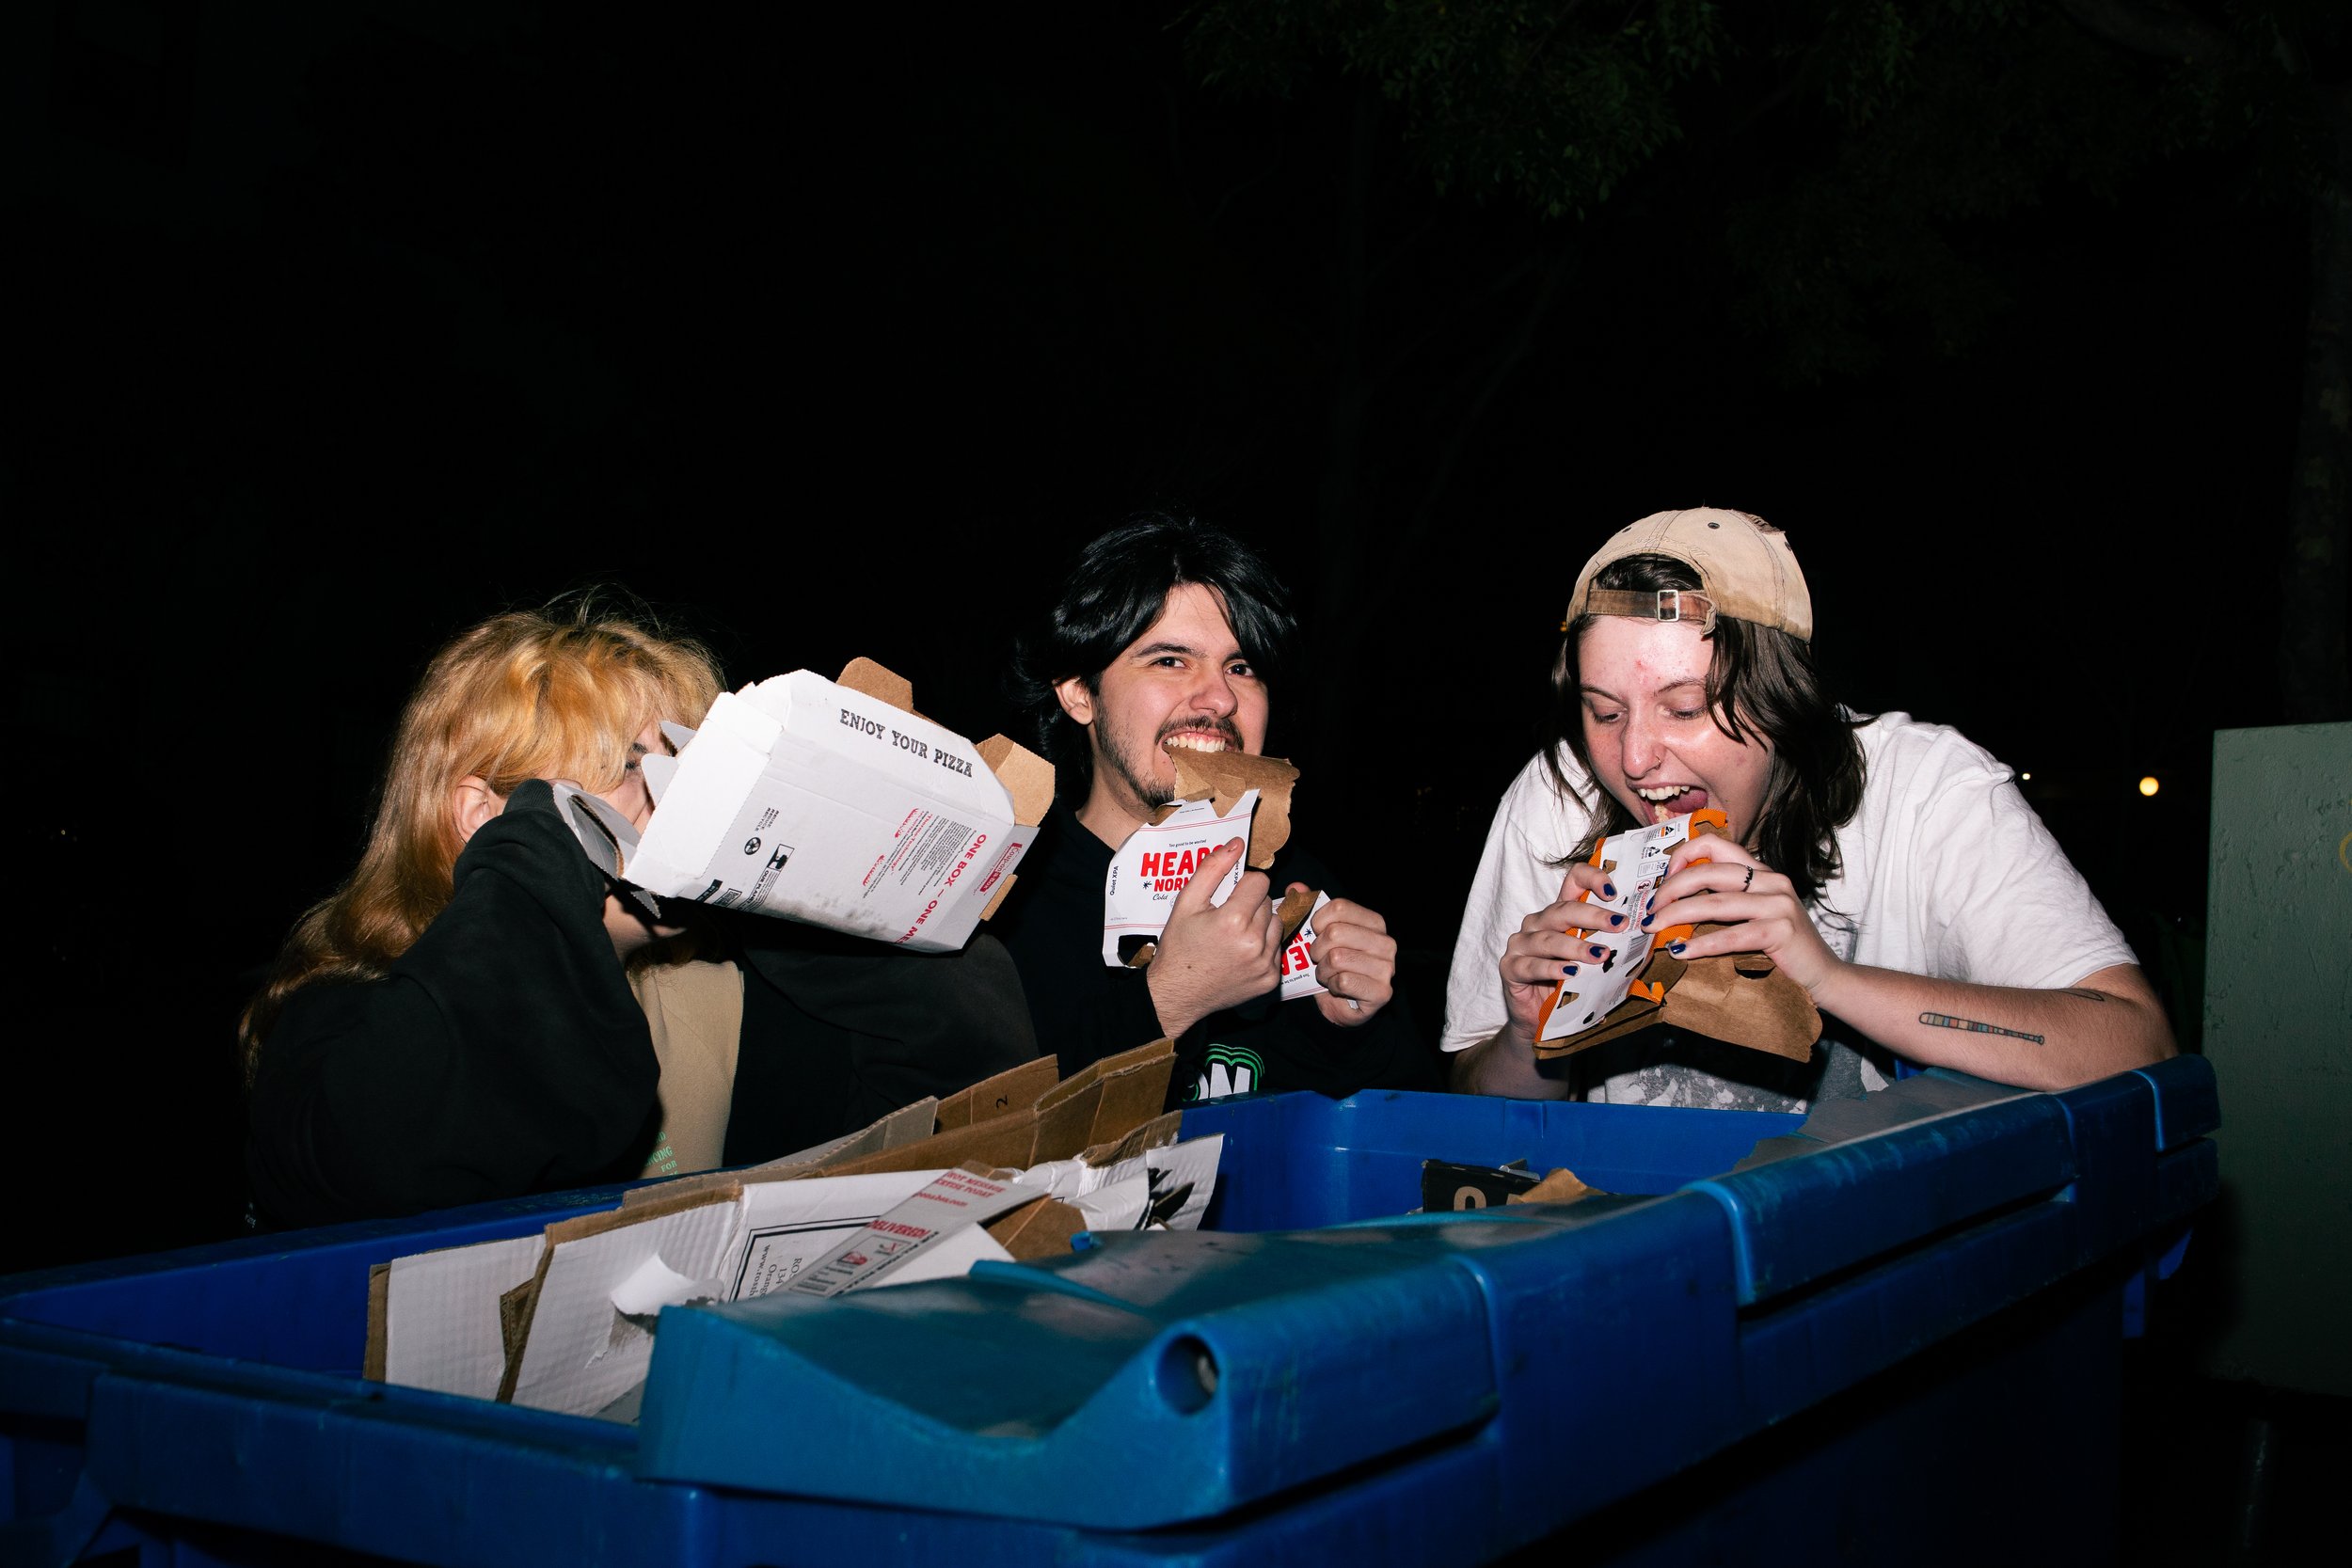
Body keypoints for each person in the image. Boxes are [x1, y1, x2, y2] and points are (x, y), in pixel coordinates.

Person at [243, 601, 1036, 1227]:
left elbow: (956, 1096)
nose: (679, 794)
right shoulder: (346, 1019)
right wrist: (544, 848)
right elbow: (398, 1153)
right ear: (485, 818)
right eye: (629, 764)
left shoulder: (719, 991)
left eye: (688, 758)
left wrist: (822, 879)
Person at [1445, 507, 2175, 1107]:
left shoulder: (1925, 790)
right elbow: (1476, 1116)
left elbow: (2136, 1043)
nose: (1635, 760)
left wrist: (1828, 977)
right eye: (1605, 713)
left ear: (1782, 698)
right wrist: (1525, 1034)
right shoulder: (1558, 797)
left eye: (1686, 706)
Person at [996, 512, 1443, 1107]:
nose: (1221, 698)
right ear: (1080, 691)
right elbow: (974, 1154)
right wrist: (1171, 1000)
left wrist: (1346, 1031)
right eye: (1170, 660)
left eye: (1241, 667)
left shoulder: (1301, 891)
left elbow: (1402, 1142)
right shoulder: (1000, 905)